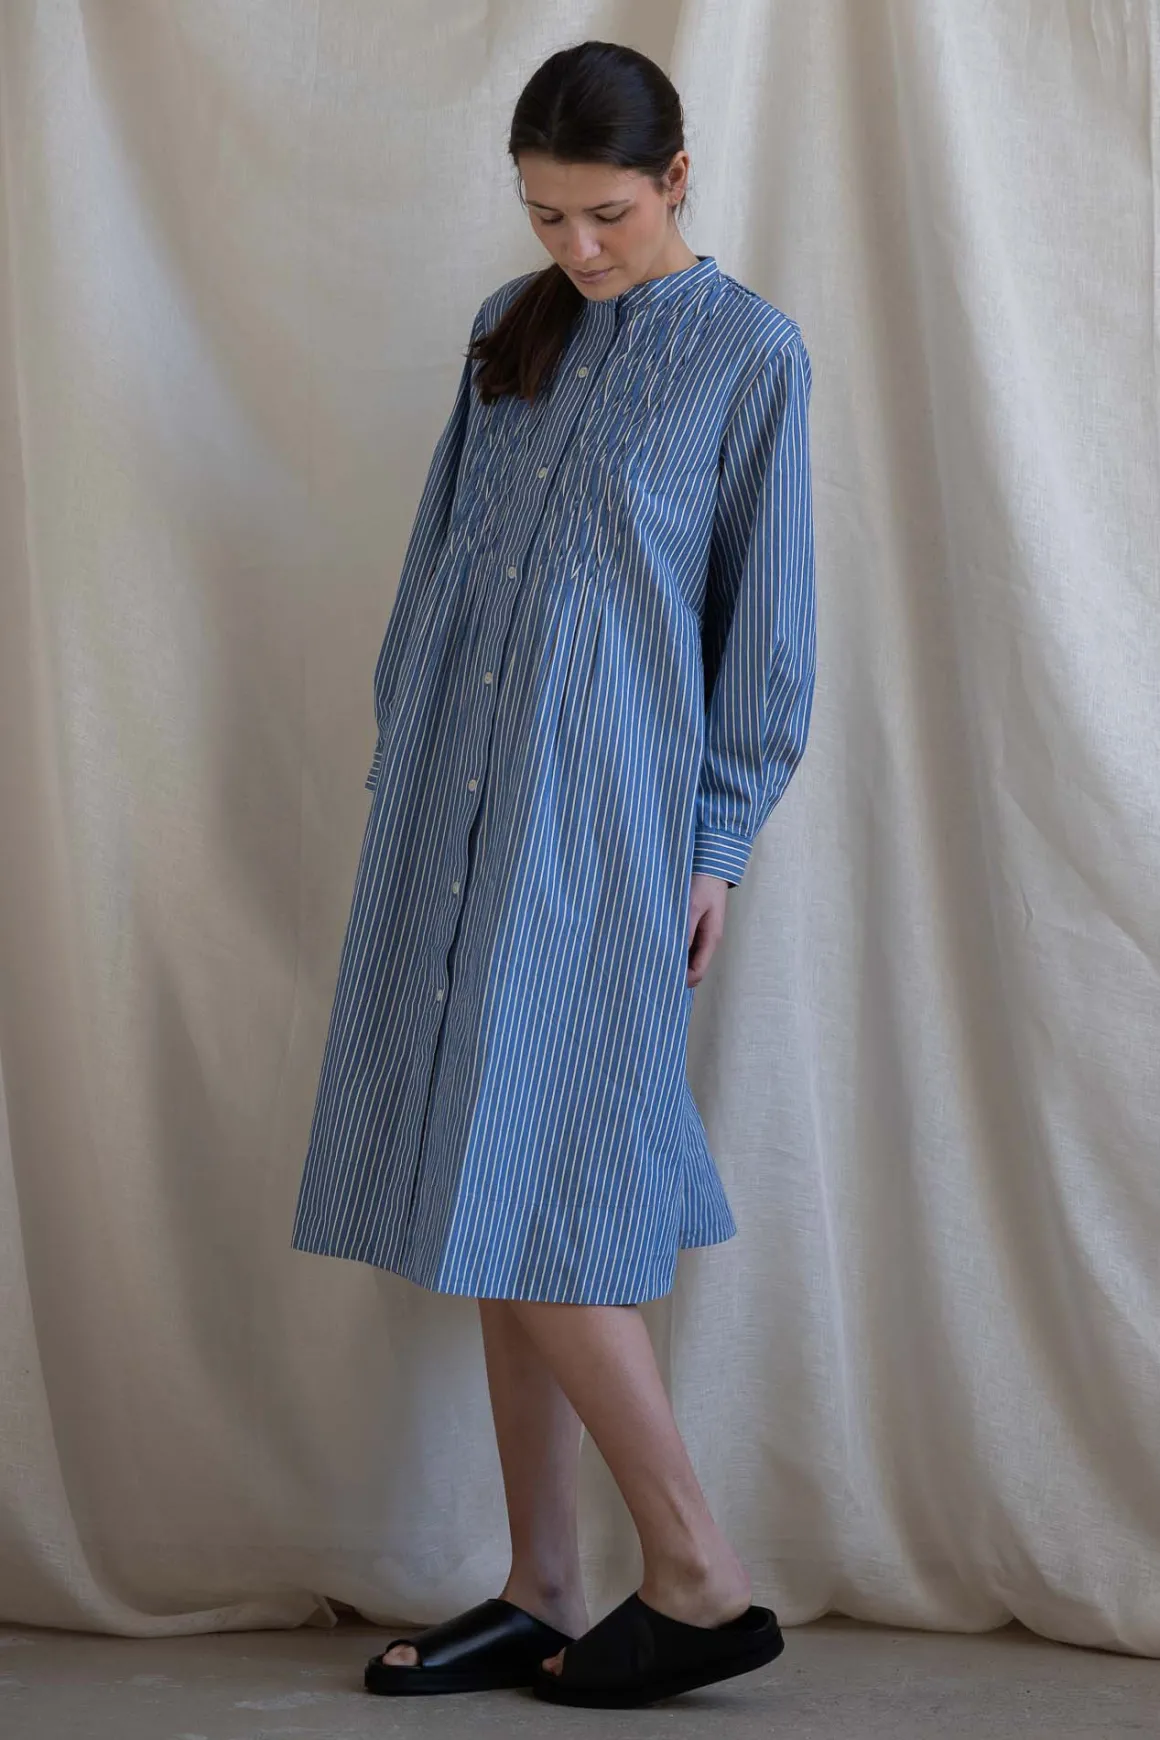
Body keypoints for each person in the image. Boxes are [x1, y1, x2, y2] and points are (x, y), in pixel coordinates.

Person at [290, 38, 816, 1708]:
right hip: (445, 820)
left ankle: (702, 1577)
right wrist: (407, 768)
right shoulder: (506, 333)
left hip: (601, 838)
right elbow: (435, 566)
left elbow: (768, 631)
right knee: (484, 1184)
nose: (576, 248)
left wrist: (714, 843)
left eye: (605, 214)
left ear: (676, 180)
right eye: (543, 217)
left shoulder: (749, 356)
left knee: (549, 1197)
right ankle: (540, 1586)